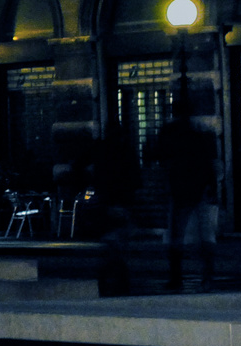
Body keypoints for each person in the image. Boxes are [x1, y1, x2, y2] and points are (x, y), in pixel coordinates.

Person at [153, 107, 218, 290]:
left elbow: (161, 156)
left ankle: (176, 278)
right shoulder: (197, 134)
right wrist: (210, 186)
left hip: (180, 190)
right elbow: (207, 162)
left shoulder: (171, 134)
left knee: (176, 237)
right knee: (204, 235)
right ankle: (207, 276)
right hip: (197, 190)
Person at [90, 124, 142, 296]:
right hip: (122, 202)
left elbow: (84, 168)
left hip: (106, 202)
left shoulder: (101, 149)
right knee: (118, 246)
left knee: (111, 244)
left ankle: (108, 281)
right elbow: (136, 178)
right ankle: (119, 282)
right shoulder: (126, 151)